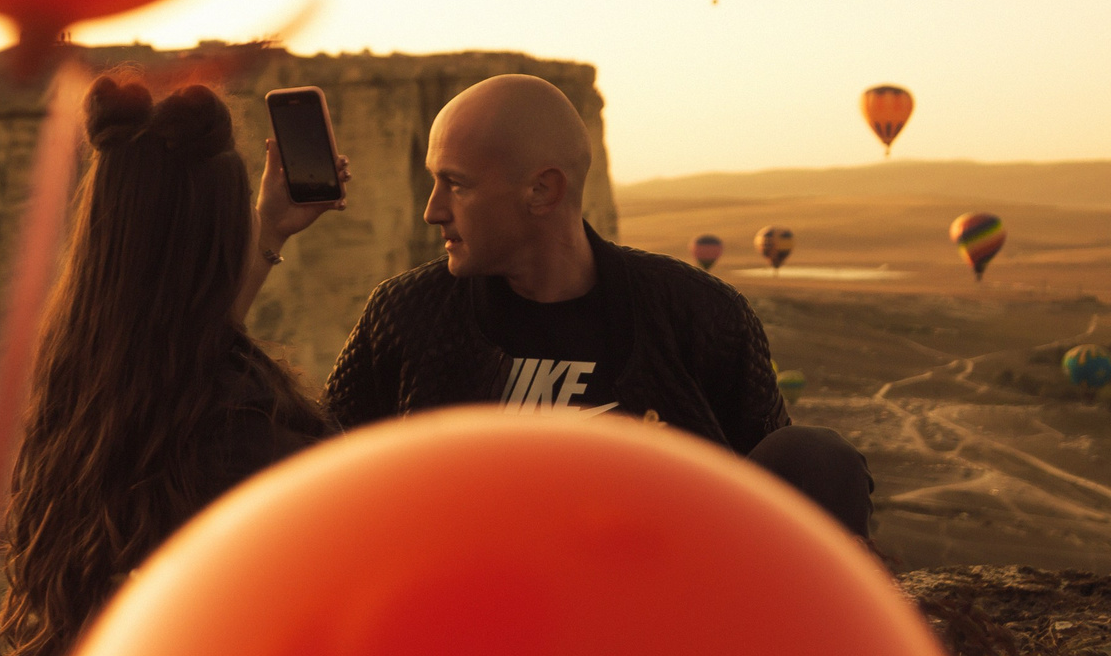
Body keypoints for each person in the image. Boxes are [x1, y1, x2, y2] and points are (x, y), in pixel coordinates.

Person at [322, 74, 875, 538]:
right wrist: (266, 233)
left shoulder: (699, 313)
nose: (432, 211)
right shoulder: (407, 315)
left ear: (543, 191)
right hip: (471, 600)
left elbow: (772, 483)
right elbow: (314, 470)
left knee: (817, 457)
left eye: (456, 186)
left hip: (660, 599)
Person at [0, 74, 349, 656]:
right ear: (219, 236)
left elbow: (178, 337)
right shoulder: (247, 442)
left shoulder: (88, 388)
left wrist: (268, 228)